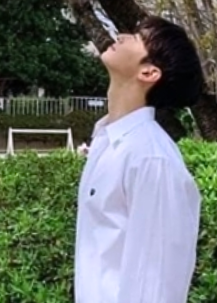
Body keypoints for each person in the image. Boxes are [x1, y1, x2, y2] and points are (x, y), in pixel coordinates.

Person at [75, 15, 205, 303]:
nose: (120, 36)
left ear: (149, 73)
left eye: (136, 37)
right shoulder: (106, 139)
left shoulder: (151, 159)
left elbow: (155, 283)